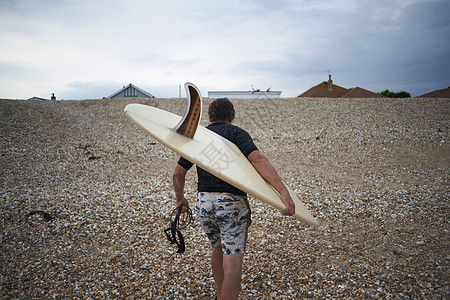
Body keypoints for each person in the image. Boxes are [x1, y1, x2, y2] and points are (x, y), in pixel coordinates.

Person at [172, 98, 295, 300]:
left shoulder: (199, 136)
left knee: (217, 248)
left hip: (204, 203)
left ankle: (221, 295)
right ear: (232, 117)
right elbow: (257, 159)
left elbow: (178, 173)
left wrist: (180, 199)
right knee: (233, 264)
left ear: (210, 117)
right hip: (231, 205)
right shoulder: (236, 133)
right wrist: (282, 191)